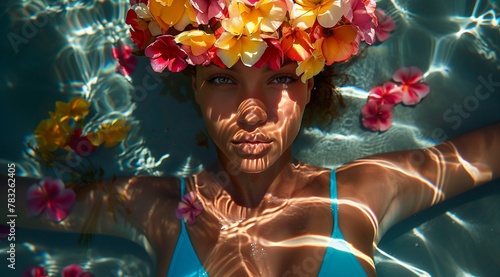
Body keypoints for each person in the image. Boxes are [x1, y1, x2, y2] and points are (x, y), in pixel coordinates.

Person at [4, 0, 500, 276]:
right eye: (223, 80)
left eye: (281, 78)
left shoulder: (365, 191)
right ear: (194, 90)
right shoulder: (152, 208)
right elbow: (11, 202)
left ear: (310, 89)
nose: (252, 110)